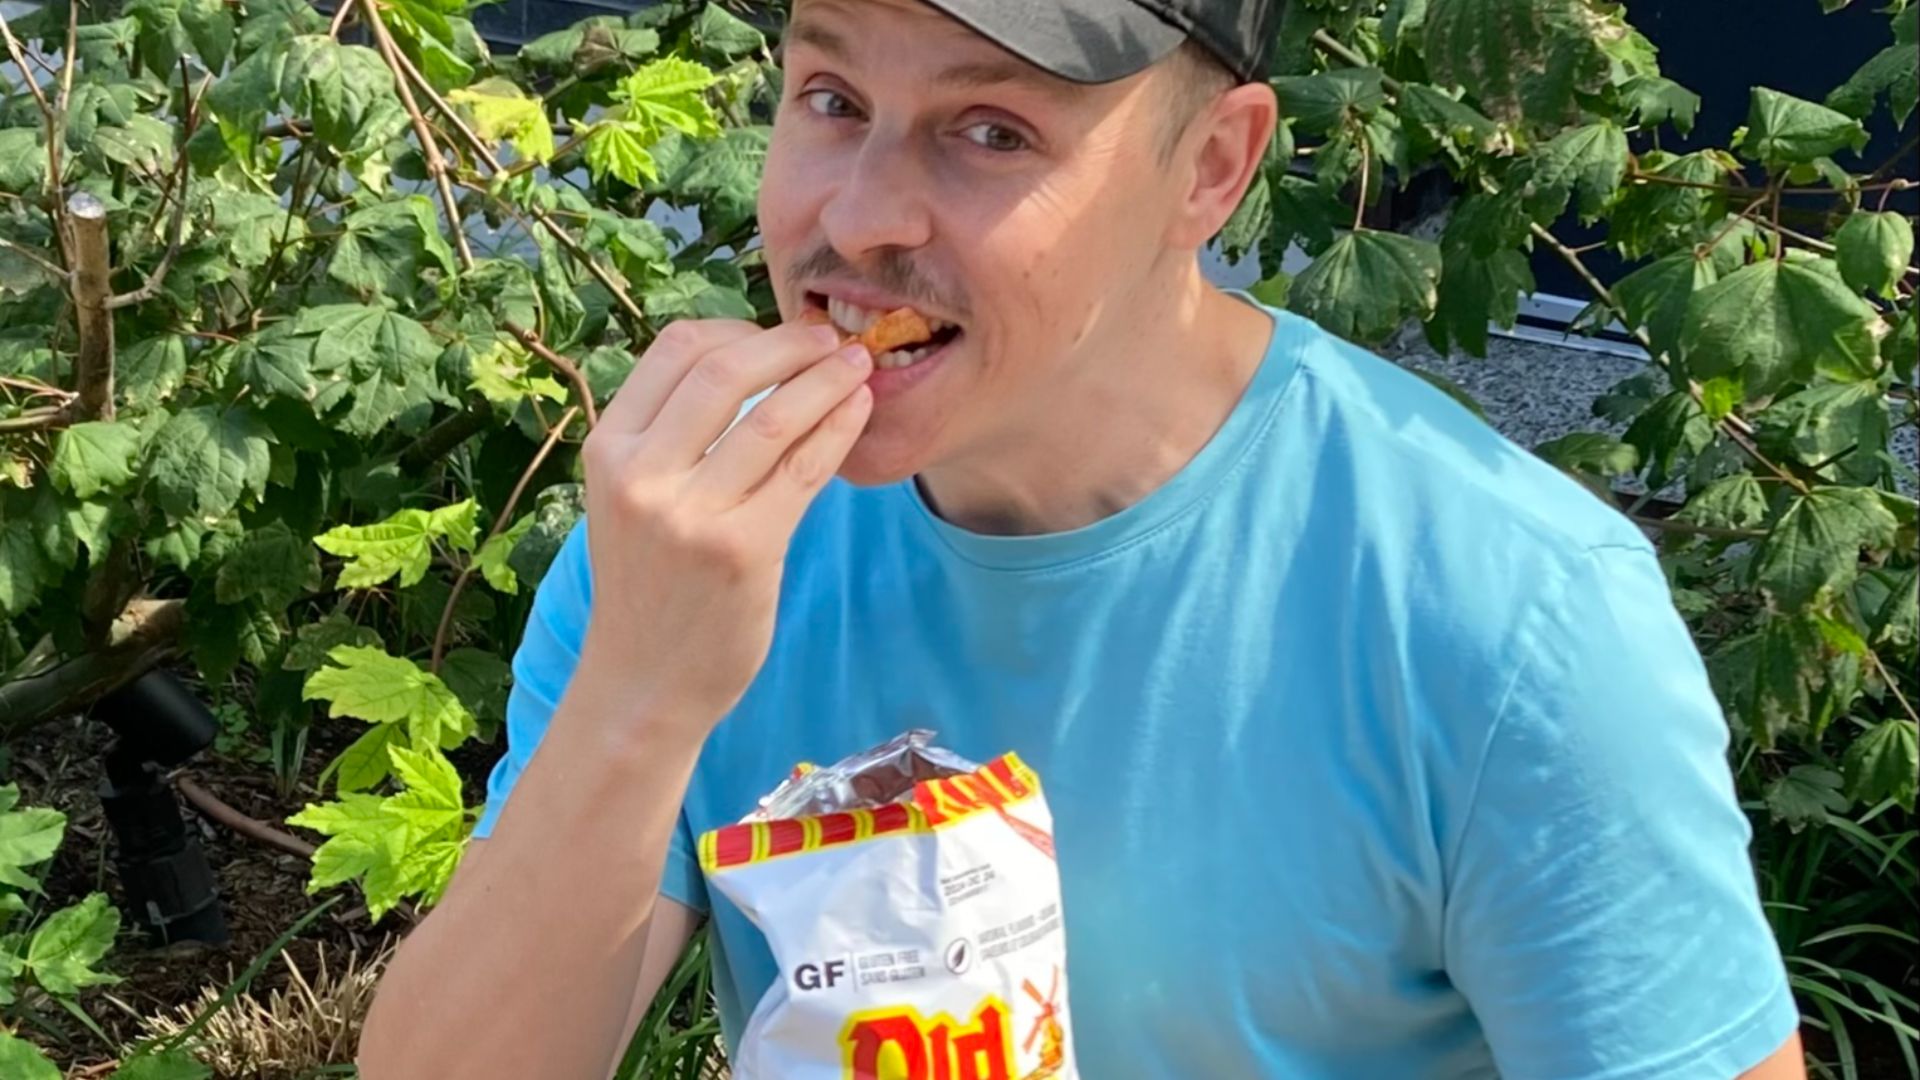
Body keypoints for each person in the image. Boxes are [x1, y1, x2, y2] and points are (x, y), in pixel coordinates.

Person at [354, 1, 1807, 1076]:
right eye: (829, 96)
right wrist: (640, 697)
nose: (855, 222)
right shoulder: (694, 537)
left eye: (992, 131)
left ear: (1211, 171)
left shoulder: (1504, 617)